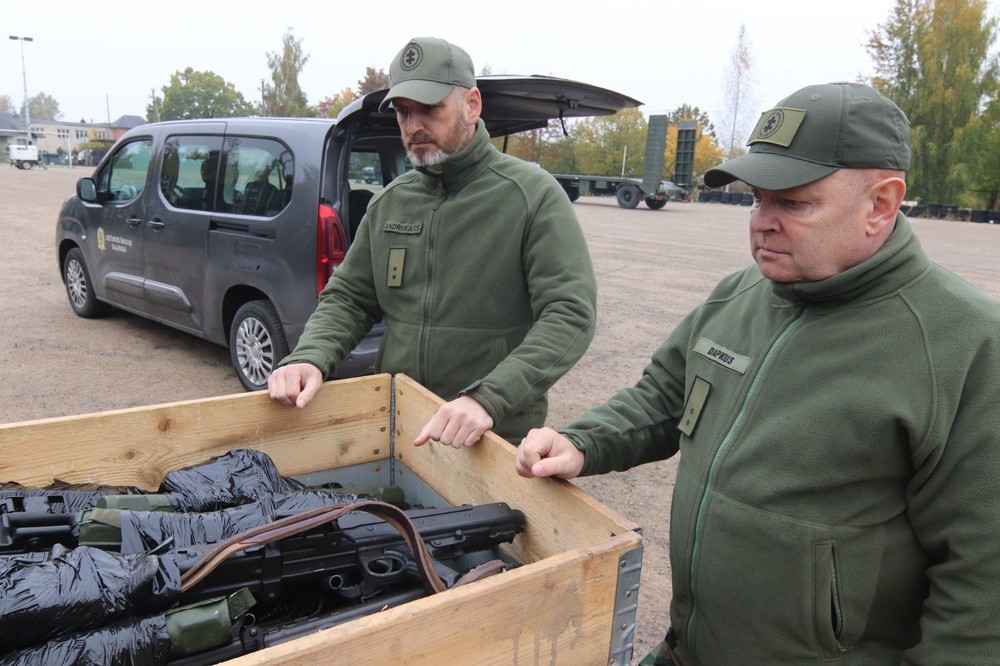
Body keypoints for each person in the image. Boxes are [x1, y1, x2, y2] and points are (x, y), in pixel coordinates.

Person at [515, 82, 1000, 664]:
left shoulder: (964, 343)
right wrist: (582, 441)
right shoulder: (742, 292)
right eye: (755, 199)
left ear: (881, 204)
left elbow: (983, 583)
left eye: (793, 203)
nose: (761, 223)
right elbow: (666, 395)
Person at [268, 36, 596, 447]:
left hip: (491, 433)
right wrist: (309, 356)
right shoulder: (391, 202)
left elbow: (569, 314)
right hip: (401, 420)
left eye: (430, 109)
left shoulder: (530, 195)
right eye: (404, 112)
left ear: (472, 104)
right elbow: (350, 297)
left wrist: (489, 398)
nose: (414, 126)